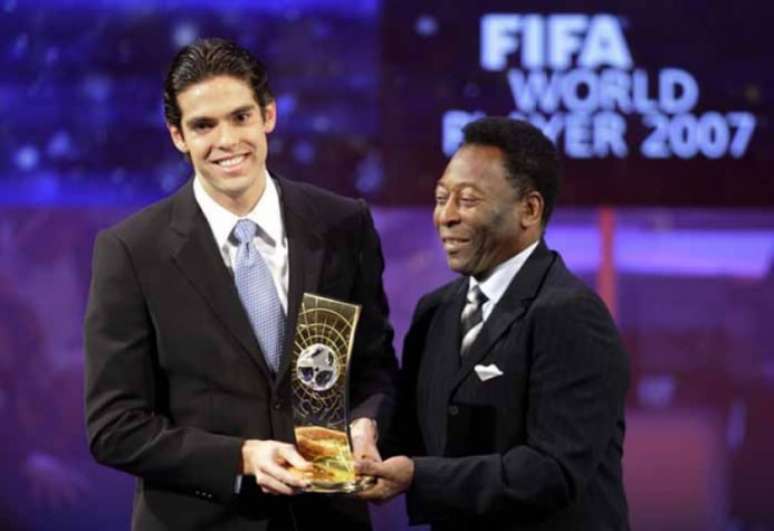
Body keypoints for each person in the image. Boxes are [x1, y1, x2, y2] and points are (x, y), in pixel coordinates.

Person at [84, 37, 397, 531]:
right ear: (177, 136)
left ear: (268, 115)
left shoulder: (343, 224)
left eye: (240, 117)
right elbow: (115, 428)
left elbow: (375, 367)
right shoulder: (131, 251)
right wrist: (243, 457)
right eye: (203, 126)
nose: (227, 140)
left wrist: (366, 422)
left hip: (328, 519)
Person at [356, 117, 630, 530]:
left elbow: (552, 471)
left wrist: (417, 475)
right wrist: (359, 440)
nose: (444, 217)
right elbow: (409, 437)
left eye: (466, 201)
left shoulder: (571, 314)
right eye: (440, 197)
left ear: (529, 209)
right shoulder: (435, 311)